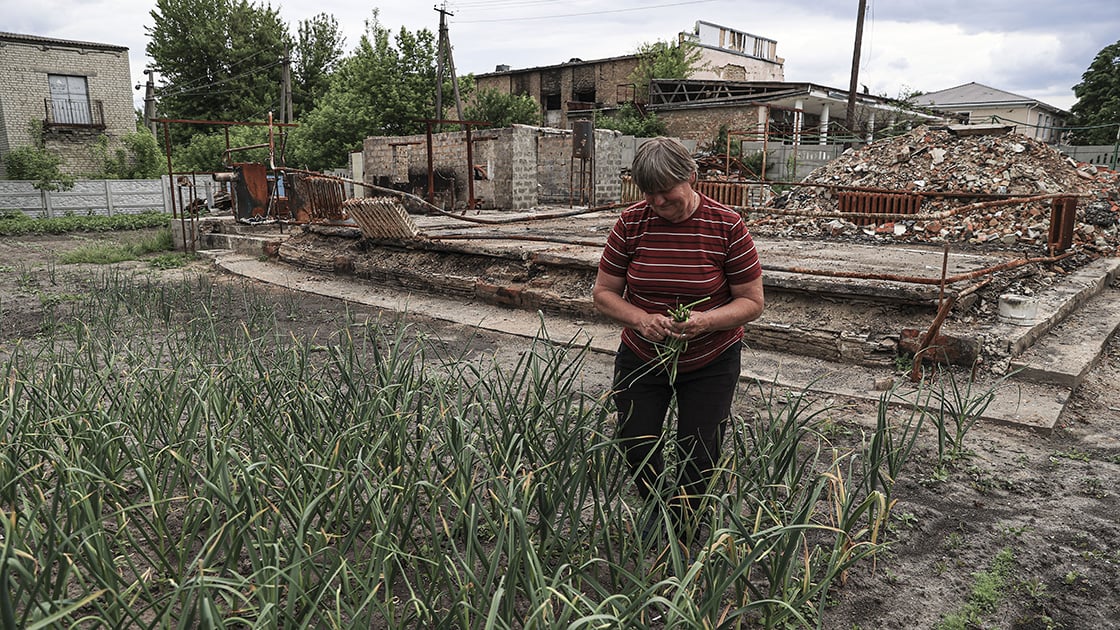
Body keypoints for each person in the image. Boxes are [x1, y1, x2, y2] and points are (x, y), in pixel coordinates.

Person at [592, 136, 764, 541]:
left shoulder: (727, 226)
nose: (656, 203)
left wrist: (706, 321)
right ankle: (655, 508)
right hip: (643, 355)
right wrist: (640, 319)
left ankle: (685, 525)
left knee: (699, 451)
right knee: (637, 441)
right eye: (647, 194)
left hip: (711, 359)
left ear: (690, 177)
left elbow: (752, 302)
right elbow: (604, 293)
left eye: (664, 193)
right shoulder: (632, 223)